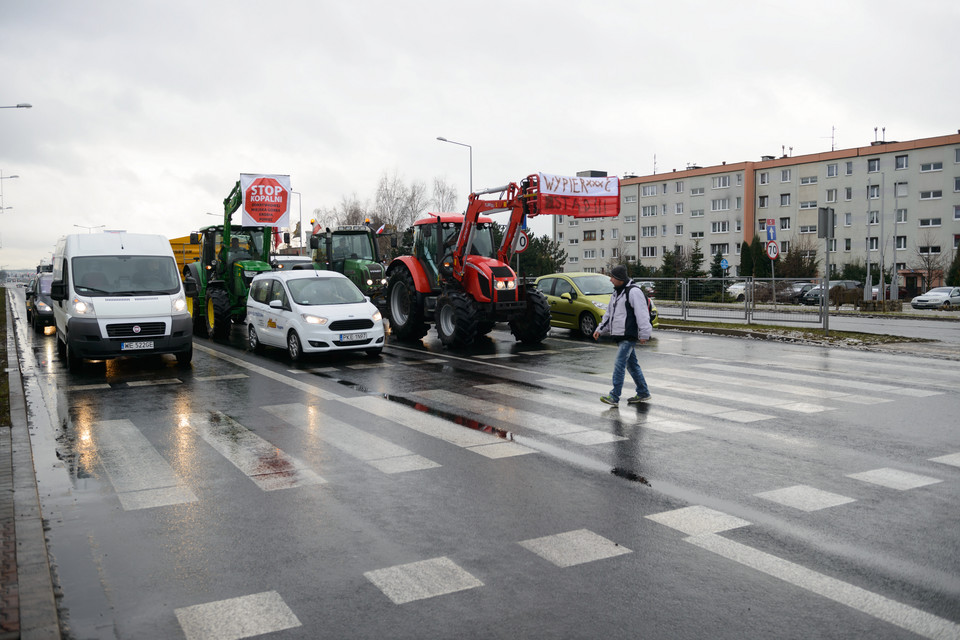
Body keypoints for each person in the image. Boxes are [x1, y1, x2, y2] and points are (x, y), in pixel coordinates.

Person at [592, 264, 652, 405]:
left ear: (619, 278)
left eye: (612, 277)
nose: (610, 280)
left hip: (629, 335)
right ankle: (643, 392)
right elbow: (609, 314)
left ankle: (614, 396)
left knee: (619, 364)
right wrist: (600, 329)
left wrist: (644, 334)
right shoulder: (617, 292)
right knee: (632, 365)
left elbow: (642, 314)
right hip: (620, 335)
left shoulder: (633, 292)